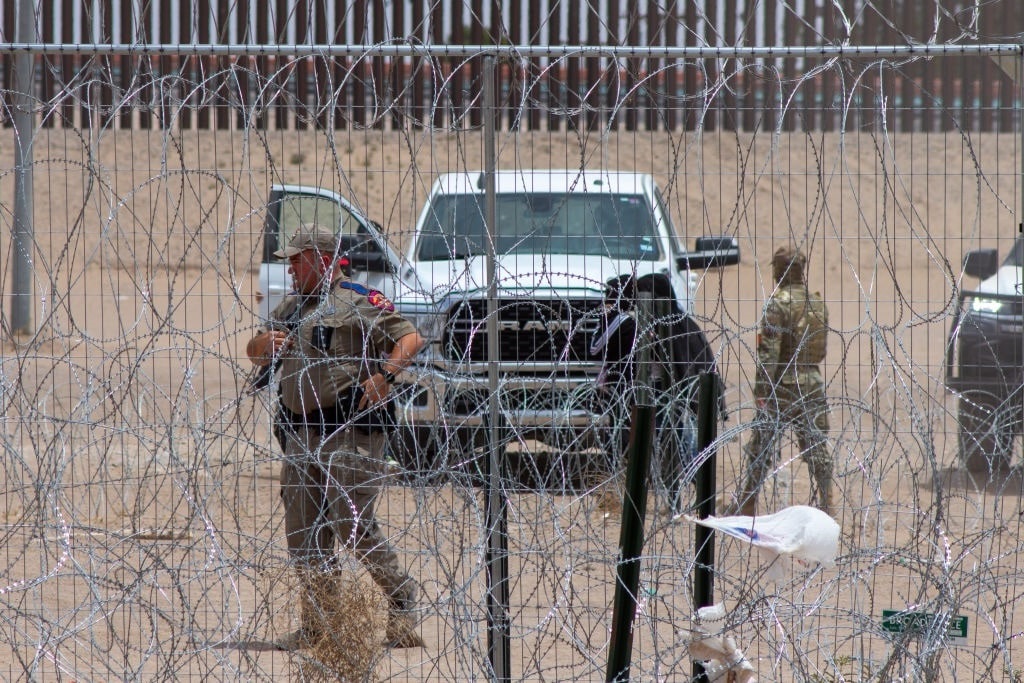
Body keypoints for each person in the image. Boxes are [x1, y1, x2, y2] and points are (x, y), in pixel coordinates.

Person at [246, 223, 426, 650]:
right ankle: (319, 625)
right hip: (299, 434)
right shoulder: (294, 308)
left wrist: (386, 376)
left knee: (351, 526)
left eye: (296, 259)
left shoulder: (360, 301)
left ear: (322, 259)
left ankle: (400, 598)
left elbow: (410, 337)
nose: (289, 268)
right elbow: (253, 349)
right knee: (304, 534)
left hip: (349, 434)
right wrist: (264, 344)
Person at [590, 273, 724, 515]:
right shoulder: (657, 322)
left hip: (668, 395)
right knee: (669, 446)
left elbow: (683, 362)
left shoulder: (672, 324)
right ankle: (677, 501)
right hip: (657, 394)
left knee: (677, 445)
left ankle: (702, 495)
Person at [734, 245, 832, 516]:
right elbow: (820, 350)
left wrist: (762, 390)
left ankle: (748, 502)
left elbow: (769, 354)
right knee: (816, 447)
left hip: (783, 384)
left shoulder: (777, 305)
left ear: (780, 271)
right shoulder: (817, 304)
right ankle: (827, 503)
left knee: (761, 446)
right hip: (812, 379)